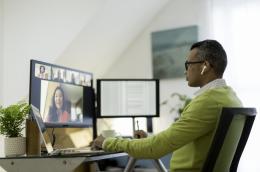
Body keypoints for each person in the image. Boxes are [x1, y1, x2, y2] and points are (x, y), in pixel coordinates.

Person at [92, 40, 242, 172]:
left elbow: (155, 149)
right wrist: (149, 139)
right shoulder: (230, 97)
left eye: (188, 64)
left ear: (205, 66)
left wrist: (107, 142)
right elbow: (173, 139)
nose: (185, 70)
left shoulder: (207, 102)